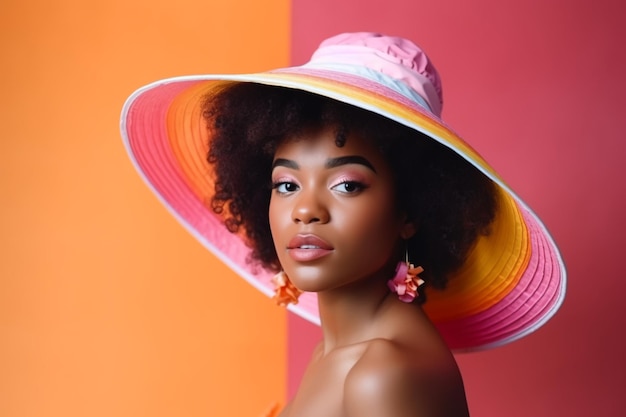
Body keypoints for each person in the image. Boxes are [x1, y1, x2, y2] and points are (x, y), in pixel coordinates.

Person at [121, 32, 566, 416]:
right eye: (287, 185)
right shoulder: (337, 353)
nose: (306, 210)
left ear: (410, 210)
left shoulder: (385, 373)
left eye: (347, 185)